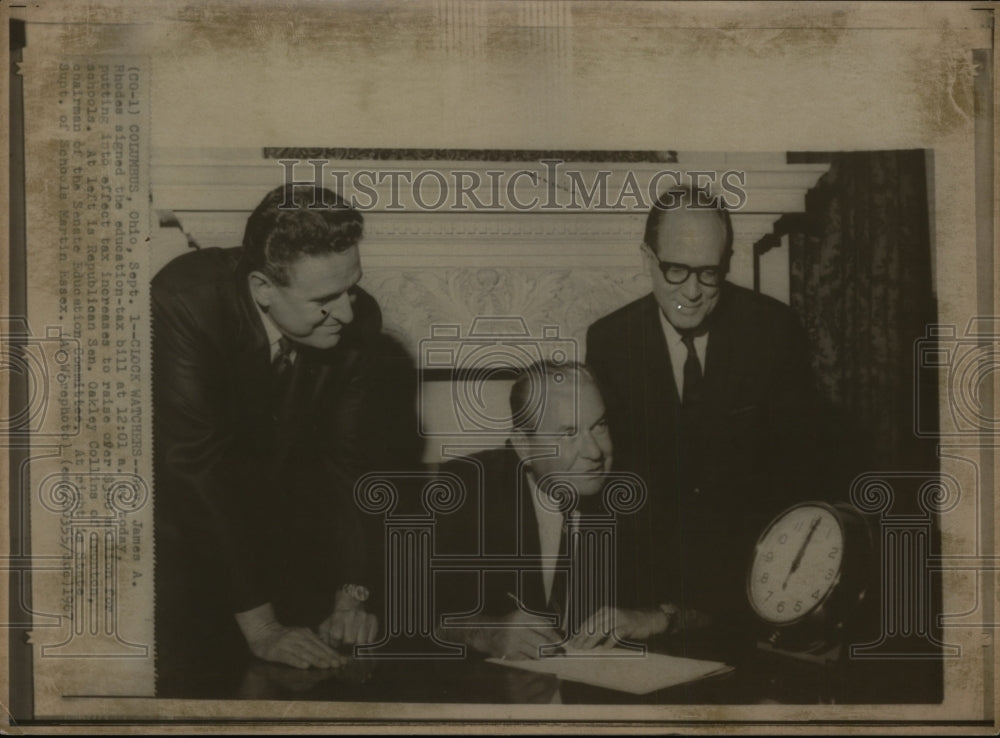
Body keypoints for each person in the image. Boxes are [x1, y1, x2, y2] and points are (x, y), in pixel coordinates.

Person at [152, 184, 394, 692]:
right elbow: (194, 469)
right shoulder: (185, 300)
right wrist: (261, 625)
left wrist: (351, 594)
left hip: (275, 550)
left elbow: (347, 462)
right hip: (176, 556)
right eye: (325, 300)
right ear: (263, 287)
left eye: (351, 288)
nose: (348, 314)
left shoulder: (358, 318)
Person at [585, 185, 826, 654]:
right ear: (647, 258)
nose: (692, 292)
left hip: (750, 593)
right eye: (675, 269)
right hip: (643, 600)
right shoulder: (610, 342)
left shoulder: (774, 332)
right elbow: (615, 491)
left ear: (727, 262)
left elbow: (799, 485)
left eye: (709, 272)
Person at [433, 361, 670, 660]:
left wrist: (653, 618)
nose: (595, 452)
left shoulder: (635, 492)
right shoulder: (466, 489)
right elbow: (415, 615)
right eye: (568, 434)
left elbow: (709, 600)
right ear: (524, 446)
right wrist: (487, 631)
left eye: (600, 426)